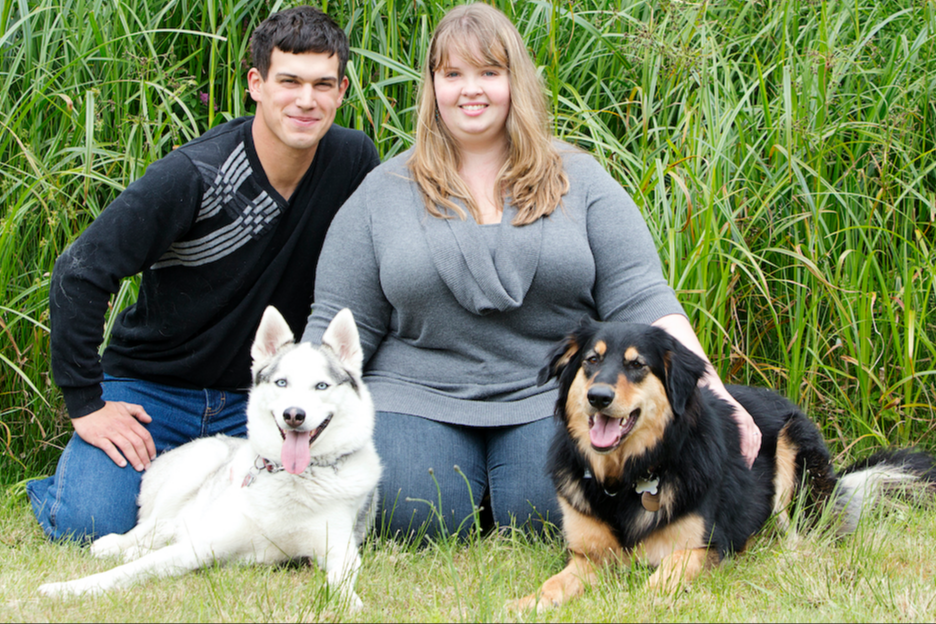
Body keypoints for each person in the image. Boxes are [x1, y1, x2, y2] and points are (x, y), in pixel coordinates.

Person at [302, 3, 761, 541]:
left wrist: (717, 392)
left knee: (540, 511)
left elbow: (643, 297)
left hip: (546, 397)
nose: (471, 90)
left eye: (489, 73)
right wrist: (288, 422)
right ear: (433, 86)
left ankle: (499, 493)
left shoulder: (582, 181)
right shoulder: (380, 194)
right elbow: (336, 323)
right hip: (415, 392)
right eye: (453, 74)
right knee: (416, 512)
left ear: (514, 81)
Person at [27, 6, 381, 543]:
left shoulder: (353, 160)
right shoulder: (195, 174)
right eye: (289, 81)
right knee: (88, 524)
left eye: (322, 84)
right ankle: (68, 481)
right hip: (154, 393)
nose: (306, 100)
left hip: (262, 399)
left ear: (342, 89)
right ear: (256, 84)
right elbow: (80, 271)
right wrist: (87, 405)